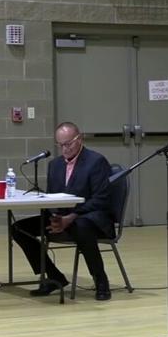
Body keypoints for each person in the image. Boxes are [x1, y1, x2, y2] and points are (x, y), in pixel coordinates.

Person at [11, 122, 115, 301]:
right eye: (60, 145)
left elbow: (101, 199)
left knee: (81, 227)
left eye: (68, 144)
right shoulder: (55, 165)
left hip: (89, 217)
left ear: (79, 139)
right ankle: (54, 277)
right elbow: (53, 196)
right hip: (62, 216)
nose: (64, 149)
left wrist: (71, 217)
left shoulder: (96, 161)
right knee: (18, 228)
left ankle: (100, 280)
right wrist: (54, 217)